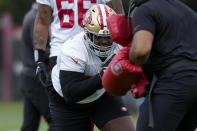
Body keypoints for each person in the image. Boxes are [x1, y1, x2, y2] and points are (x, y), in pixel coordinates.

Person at [48, 4, 135, 131]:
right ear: (88, 34)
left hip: (102, 96)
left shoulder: (121, 43)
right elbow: (70, 93)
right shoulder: (73, 49)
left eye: (108, 36)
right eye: (99, 37)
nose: (105, 41)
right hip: (68, 103)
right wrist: (104, 76)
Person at [128, 0, 197, 130]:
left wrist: (127, 58)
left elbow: (140, 51)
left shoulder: (146, 10)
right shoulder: (188, 12)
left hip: (173, 82)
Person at [33, 0, 125, 86]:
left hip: (66, 50)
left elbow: (42, 21)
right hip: (95, 48)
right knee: (104, 97)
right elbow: (118, 17)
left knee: (62, 99)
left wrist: (39, 59)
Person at [20, 3, 51, 131]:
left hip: (28, 76)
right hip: (36, 78)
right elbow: (41, 49)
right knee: (56, 120)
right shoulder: (35, 19)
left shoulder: (30, 15)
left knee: (29, 125)